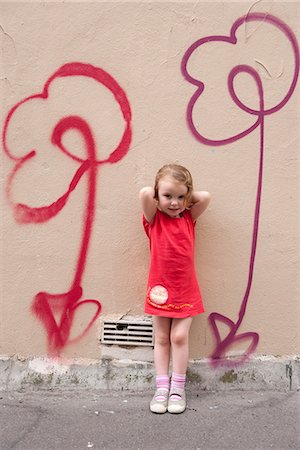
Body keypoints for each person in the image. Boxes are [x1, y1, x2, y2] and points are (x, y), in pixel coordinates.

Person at [139, 163, 211, 414]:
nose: (174, 202)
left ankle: (178, 388)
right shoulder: (154, 219)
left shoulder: (189, 219)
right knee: (161, 338)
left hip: (185, 288)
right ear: (158, 196)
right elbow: (145, 192)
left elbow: (205, 197)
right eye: (168, 196)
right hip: (160, 288)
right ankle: (161, 388)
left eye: (181, 197)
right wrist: (159, 195)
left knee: (179, 337)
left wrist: (187, 199)